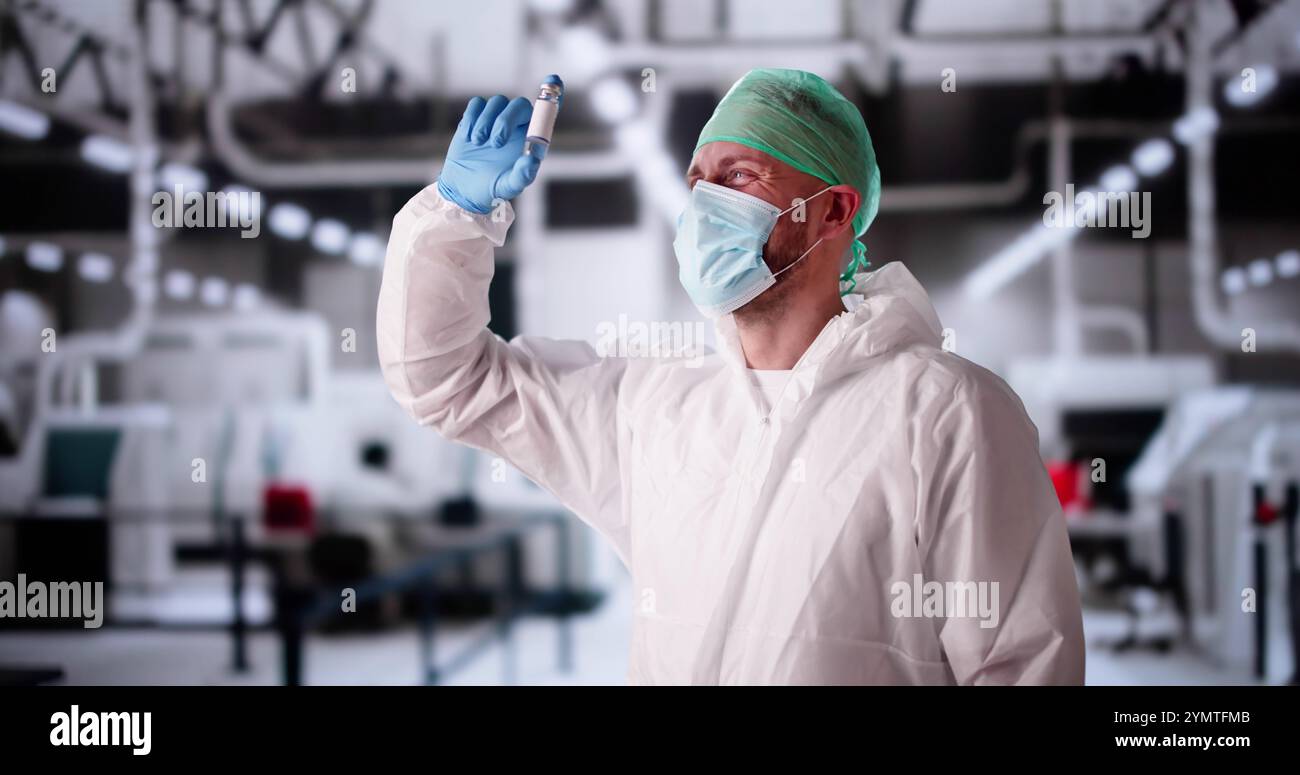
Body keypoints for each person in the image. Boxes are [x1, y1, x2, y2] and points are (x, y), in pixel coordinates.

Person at [377, 69, 1085, 685]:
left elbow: (1024, 666)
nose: (705, 207)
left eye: (739, 176)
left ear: (835, 209)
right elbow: (446, 379)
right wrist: (456, 218)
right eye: (699, 182)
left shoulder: (945, 412)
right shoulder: (654, 406)